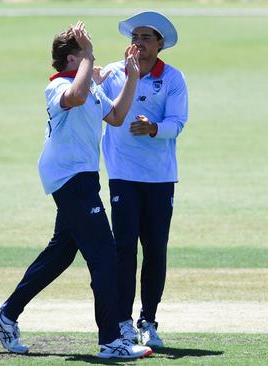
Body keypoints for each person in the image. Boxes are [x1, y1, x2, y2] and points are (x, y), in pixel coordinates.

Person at [0, 21, 153, 359]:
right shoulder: (60, 86)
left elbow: (117, 115)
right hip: (69, 177)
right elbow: (74, 95)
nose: (91, 59)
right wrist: (89, 57)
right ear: (72, 59)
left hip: (83, 177)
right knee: (105, 255)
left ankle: (5, 316)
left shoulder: (89, 88)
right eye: (85, 55)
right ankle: (111, 342)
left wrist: (132, 76)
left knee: (62, 252)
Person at [93, 11, 188, 348]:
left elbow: (178, 122)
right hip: (122, 173)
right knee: (123, 249)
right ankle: (121, 321)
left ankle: (148, 319)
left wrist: (153, 128)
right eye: (135, 37)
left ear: (160, 44)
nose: (139, 43)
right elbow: (87, 95)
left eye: (146, 38)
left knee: (156, 250)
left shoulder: (173, 79)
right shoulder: (113, 73)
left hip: (160, 177)